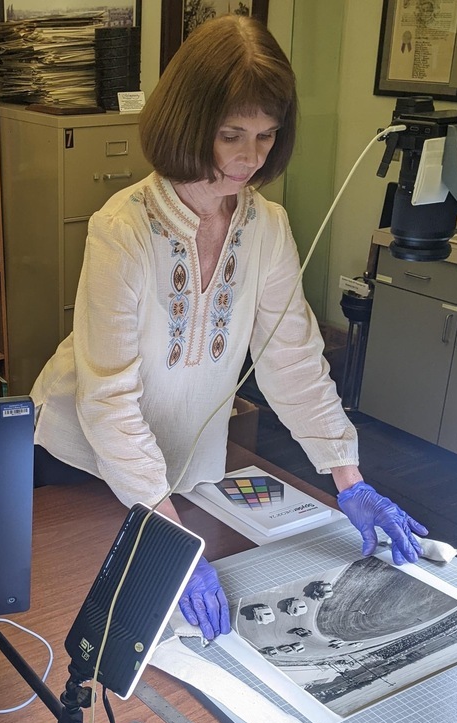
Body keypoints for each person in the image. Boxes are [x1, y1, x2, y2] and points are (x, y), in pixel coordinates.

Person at [30, 15, 427, 640]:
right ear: (189, 125)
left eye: (267, 136)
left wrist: (347, 474)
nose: (251, 158)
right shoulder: (123, 229)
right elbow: (106, 399)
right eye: (232, 135)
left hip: (186, 466)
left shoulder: (266, 227)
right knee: (76, 623)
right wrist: (164, 533)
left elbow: (292, 360)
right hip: (83, 465)